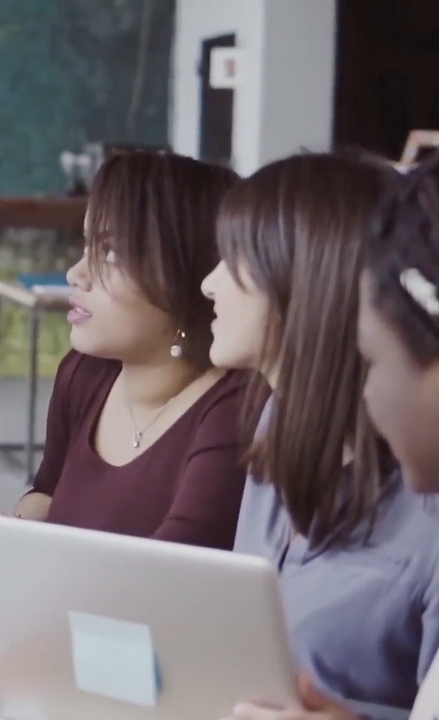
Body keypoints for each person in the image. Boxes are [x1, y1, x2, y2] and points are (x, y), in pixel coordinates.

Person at [0, 151, 248, 562]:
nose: (76, 273)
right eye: (87, 245)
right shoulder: (85, 375)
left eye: (110, 254)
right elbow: (48, 494)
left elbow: (174, 568)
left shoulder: (234, 410)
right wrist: (1, 533)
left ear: (188, 273)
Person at [203, 153, 438, 718]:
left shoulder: (427, 502)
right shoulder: (275, 423)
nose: (208, 284)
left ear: (305, 283)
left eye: (234, 258)